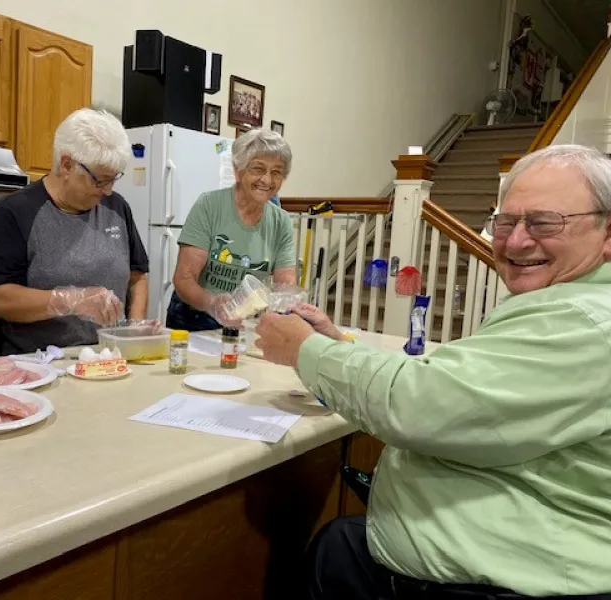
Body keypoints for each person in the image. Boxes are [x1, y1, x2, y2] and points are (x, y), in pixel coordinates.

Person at [255, 144, 611, 599]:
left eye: (544, 223)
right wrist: (335, 340)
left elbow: (421, 402)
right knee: (338, 542)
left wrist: (305, 349)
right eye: (505, 222)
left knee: (330, 547)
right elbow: (458, 381)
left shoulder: (584, 322)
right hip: (481, 557)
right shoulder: (569, 304)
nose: (517, 241)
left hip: (496, 582)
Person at [0, 108, 149, 357]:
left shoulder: (117, 207)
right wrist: (70, 300)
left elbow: (137, 277)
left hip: (106, 360)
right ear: (66, 165)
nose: (107, 191)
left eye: (113, 179)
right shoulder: (14, 212)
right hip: (36, 364)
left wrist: (135, 328)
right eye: (100, 180)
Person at [167, 128, 296, 331]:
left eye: (276, 172)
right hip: (195, 316)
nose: (267, 180)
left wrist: (288, 306)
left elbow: (285, 286)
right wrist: (212, 304)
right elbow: (184, 279)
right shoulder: (209, 206)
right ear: (238, 170)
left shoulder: (281, 222)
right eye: (258, 169)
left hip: (243, 322)